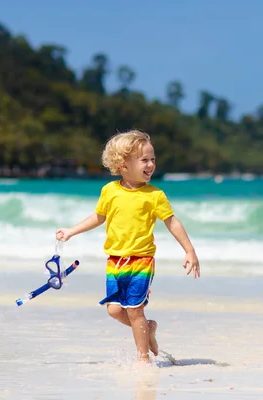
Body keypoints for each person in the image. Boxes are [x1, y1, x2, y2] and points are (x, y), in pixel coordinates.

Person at [55, 130, 200, 365]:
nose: (151, 164)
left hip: (141, 260)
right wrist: (72, 231)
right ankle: (148, 328)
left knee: (134, 310)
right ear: (123, 164)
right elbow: (98, 217)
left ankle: (143, 358)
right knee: (113, 310)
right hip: (115, 261)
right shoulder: (109, 191)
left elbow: (172, 222)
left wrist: (189, 250)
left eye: (153, 159)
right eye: (144, 160)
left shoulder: (155, 195)